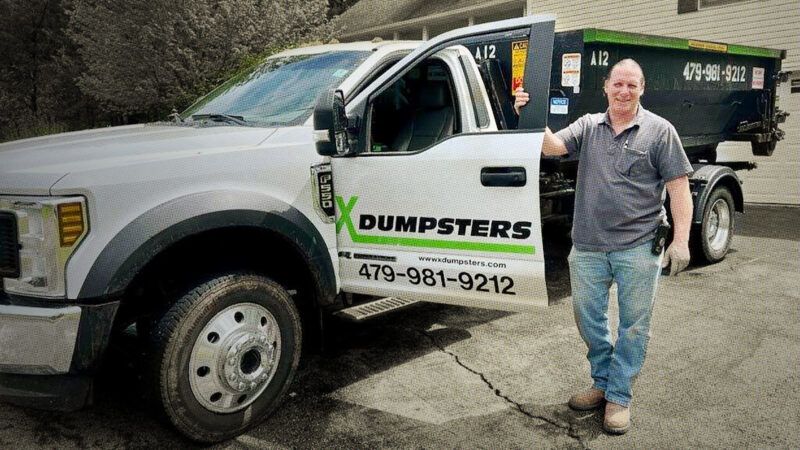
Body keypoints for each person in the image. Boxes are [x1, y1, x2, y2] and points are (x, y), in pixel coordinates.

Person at [514, 58, 693, 434]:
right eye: (618, 84)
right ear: (606, 87)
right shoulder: (589, 126)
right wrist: (527, 113)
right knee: (588, 318)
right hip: (588, 246)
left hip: (639, 247)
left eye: (632, 85)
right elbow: (552, 146)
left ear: (642, 89)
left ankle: (619, 396)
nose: (624, 91)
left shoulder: (661, 132)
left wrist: (680, 241)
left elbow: (679, 189)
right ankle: (602, 382)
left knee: (633, 327)